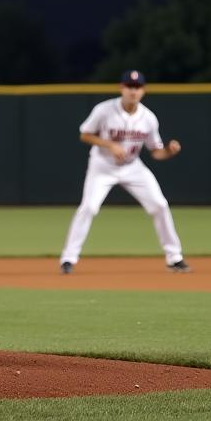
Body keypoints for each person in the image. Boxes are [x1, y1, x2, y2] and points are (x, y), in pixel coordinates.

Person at [59, 70, 189, 274]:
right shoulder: (104, 110)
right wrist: (110, 145)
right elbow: (84, 135)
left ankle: (175, 258)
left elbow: (156, 152)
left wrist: (169, 152)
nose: (133, 91)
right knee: (89, 208)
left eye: (137, 87)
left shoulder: (148, 118)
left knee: (160, 205)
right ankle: (68, 259)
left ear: (143, 91)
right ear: (122, 88)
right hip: (102, 166)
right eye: (129, 86)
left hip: (132, 167)